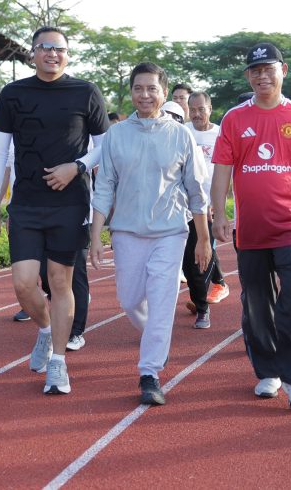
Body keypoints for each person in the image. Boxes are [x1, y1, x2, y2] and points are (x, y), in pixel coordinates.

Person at [211, 42, 291, 411]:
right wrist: (219, 214)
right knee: (256, 303)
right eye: (255, 70)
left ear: (283, 71)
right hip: (251, 229)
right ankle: (268, 371)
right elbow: (222, 170)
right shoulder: (234, 119)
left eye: (268, 69)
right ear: (248, 76)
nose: (261, 76)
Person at [0, 26, 110, 396]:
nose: (53, 54)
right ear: (33, 53)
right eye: (45, 47)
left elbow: (106, 145)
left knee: (60, 282)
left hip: (70, 203)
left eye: (60, 49)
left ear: (67, 55)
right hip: (26, 202)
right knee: (23, 283)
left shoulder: (85, 92)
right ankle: (45, 330)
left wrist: (77, 166)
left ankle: (58, 362)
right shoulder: (13, 93)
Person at [90, 62, 210, 406]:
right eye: (138, 88)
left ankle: (150, 372)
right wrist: (96, 236)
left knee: (161, 301)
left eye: (152, 88)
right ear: (131, 92)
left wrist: (203, 239)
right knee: (130, 301)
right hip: (127, 231)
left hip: (170, 232)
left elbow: (196, 190)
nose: (145, 95)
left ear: (163, 92)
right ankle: (156, 338)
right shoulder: (116, 135)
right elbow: (104, 186)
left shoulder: (180, 135)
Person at [182, 91, 230, 328]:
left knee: (201, 257)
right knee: (186, 262)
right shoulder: (183, 132)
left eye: (201, 109)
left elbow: (227, 171)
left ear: (210, 109)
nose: (197, 114)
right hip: (183, 208)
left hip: (208, 208)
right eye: (192, 110)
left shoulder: (220, 134)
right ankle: (198, 298)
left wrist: (220, 206)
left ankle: (203, 309)